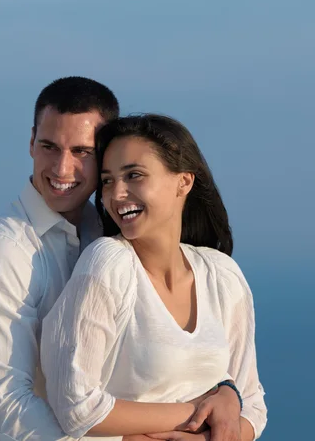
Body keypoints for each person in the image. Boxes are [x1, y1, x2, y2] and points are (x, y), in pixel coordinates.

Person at [41, 115, 268, 441]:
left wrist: (205, 436)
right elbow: (76, 406)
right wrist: (197, 411)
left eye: (134, 175)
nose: (117, 194)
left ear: (184, 182)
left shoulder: (222, 276)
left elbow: (253, 406)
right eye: (107, 181)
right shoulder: (109, 263)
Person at [0, 76, 120, 441]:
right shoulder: (1, 251)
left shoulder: (109, 239)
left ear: (107, 154)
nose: (61, 169)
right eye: (49, 147)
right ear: (30, 142)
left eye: (81, 152)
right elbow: (7, 410)